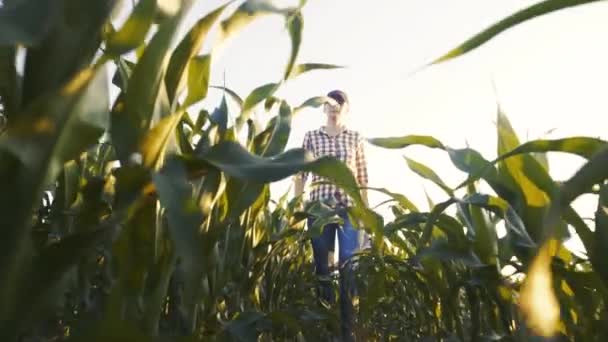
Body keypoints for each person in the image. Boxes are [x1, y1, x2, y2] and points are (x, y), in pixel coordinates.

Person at [294, 89, 369, 341]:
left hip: (349, 210)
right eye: (330, 104)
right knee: (323, 269)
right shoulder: (312, 137)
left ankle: (348, 334)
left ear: (347, 109)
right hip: (320, 210)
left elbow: (362, 179)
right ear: (323, 109)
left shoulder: (355, 138)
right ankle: (326, 333)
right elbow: (301, 172)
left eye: (339, 104)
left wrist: (366, 214)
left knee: (349, 269)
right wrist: (297, 204)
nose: (334, 108)